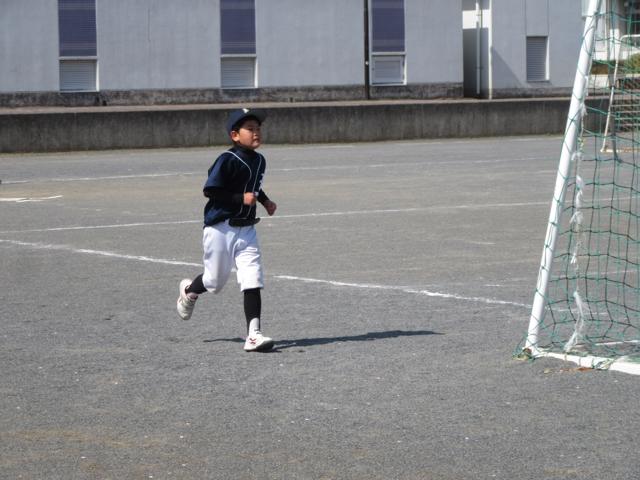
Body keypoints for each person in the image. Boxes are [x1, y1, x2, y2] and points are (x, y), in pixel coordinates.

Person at [177, 108, 277, 352]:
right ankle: (189, 290)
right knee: (214, 281)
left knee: (252, 278)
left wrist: (265, 201)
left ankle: (253, 335)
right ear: (235, 135)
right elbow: (210, 190)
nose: (256, 132)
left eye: (258, 128)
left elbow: (253, 186)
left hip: (247, 230)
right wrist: (239, 198)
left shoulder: (260, 160)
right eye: (250, 129)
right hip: (220, 229)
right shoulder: (227, 159)